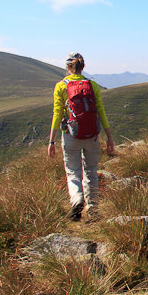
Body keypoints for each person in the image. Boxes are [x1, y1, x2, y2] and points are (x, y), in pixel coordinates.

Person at [47, 52, 115, 221]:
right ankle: (93, 209)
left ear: (68, 67)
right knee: (91, 171)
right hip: (92, 136)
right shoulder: (92, 85)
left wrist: (52, 141)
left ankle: (77, 199)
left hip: (70, 135)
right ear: (83, 66)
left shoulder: (61, 86)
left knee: (73, 172)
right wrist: (109, 137)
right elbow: (101, 111)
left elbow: (57, 114)